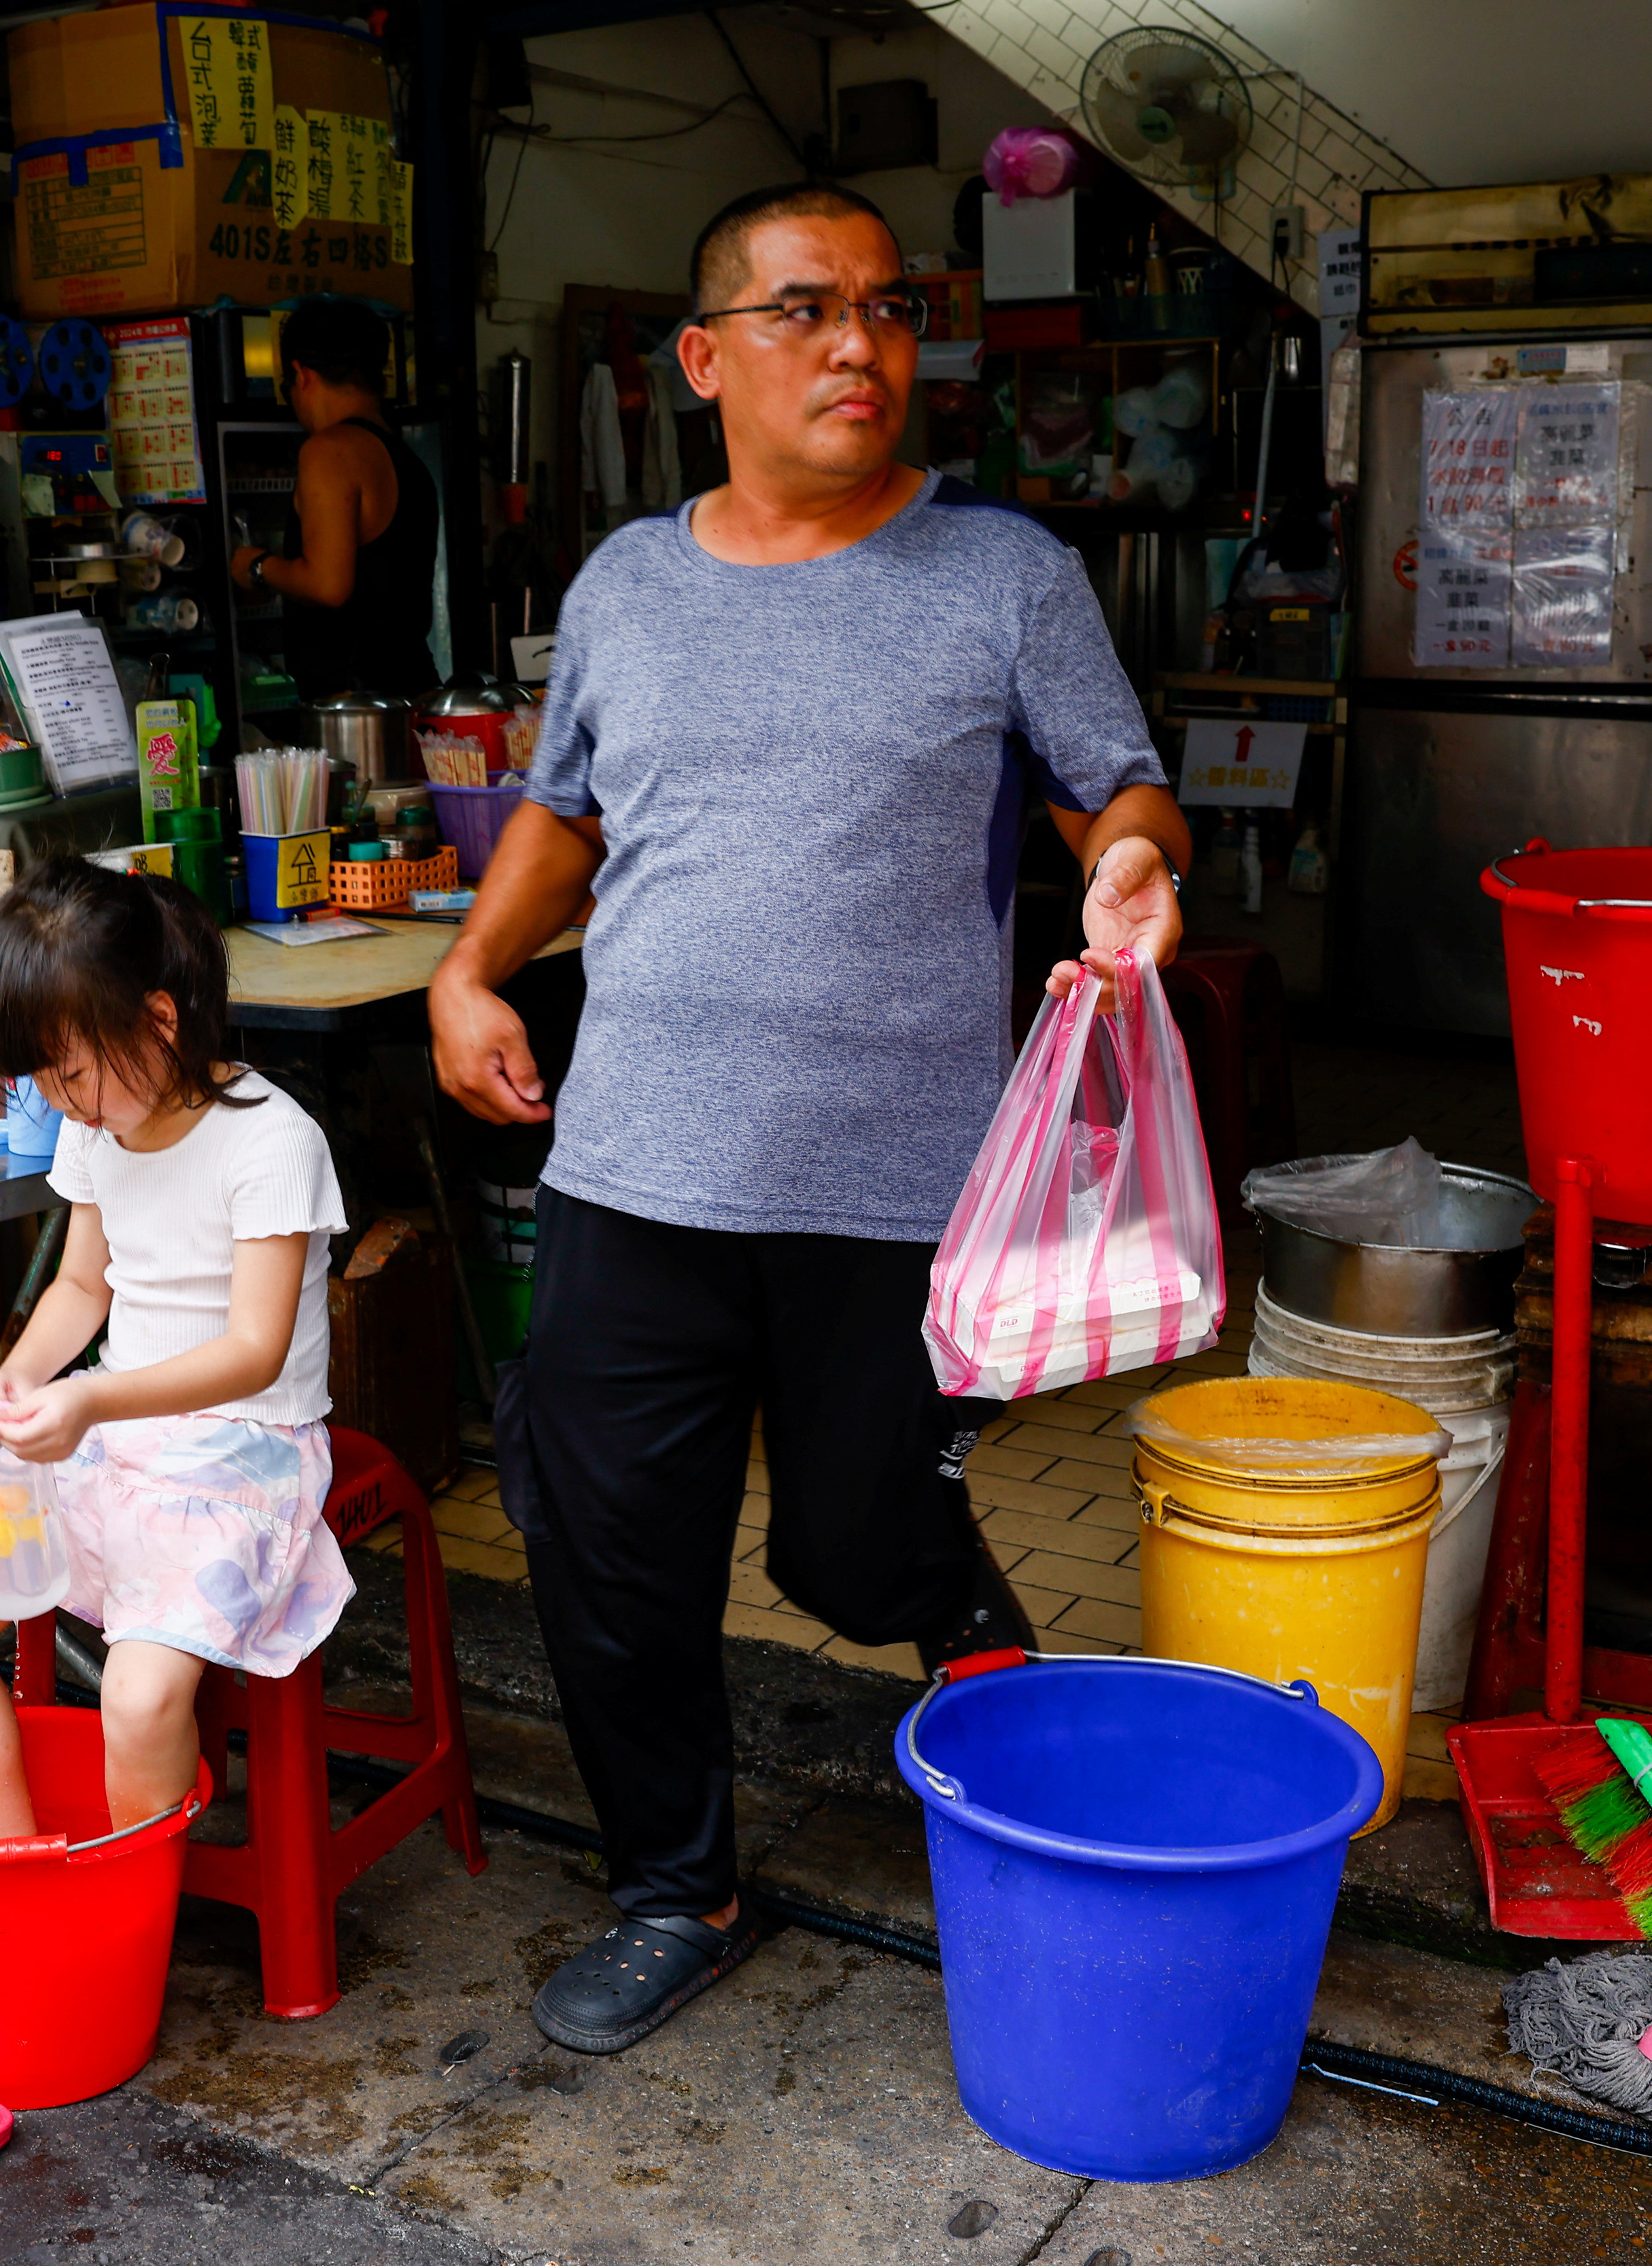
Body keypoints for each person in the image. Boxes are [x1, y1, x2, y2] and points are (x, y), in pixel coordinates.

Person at [427, 181, 1191, 2057]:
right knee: (612, 1553)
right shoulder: (624, 581)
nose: (858, 345)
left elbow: (1119, 786)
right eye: (803, 310)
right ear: (706, 361)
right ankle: (676, 1885)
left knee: (857, 1552)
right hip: (634, 1166)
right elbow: (566, 810)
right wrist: (470, 970)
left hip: (893, 1188)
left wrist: (1138, 867)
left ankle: (1016, 1713)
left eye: (885, 307)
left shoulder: (1002, 572)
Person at [0, 862, 354, 1838]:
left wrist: (91, 1402)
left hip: (245, 1445)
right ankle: (20, 1863)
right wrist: (18, 1379)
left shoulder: (273, 1141)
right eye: (41, 1080)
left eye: (71, 1070)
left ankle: (137, 1908)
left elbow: (255, 1351)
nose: (61, 1101)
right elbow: (81, 1287)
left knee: (138, 1700)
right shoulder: (97, 1128)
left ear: (160, 1018)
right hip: (120, 1432)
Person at [226, 298, 438, 700]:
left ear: (301, 375)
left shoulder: (329, 450)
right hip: (415, 692)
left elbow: (328, 585)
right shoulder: (408, 458)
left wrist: (256, 566)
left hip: (357, 710)